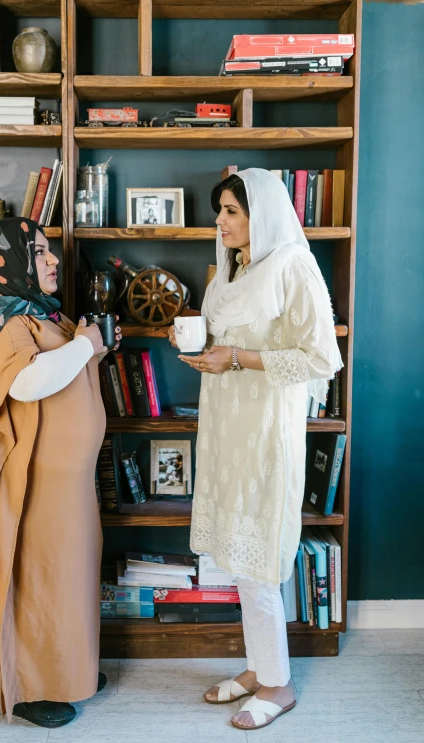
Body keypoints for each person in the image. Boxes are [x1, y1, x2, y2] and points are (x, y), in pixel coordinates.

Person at [169, 169, 342, 731]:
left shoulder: (293, 264)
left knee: (261, 557)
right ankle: (258, 666)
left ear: (260, 214)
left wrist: (237, 358)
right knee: (240, 558)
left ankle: (279, 684)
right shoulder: (231, 268)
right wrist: (200, 346)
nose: (219, 221)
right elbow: (226, 339)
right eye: (219, 210)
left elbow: (320, 358)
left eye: (231, 212)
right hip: (225, 425)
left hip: (268, 429)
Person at [0, 218, 121, 729]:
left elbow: (64, 369)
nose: (51, 260)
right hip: (29, 481)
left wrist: (91, 346)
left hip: (63, 484)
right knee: (36, 580)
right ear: (9, 264)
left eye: (49, 250)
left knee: (69, 578)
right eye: (38, 251)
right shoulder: (4, 320)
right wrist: (86, 346)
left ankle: (71, 671)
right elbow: (25, 383)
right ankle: (30, 688)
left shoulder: (42, 314)